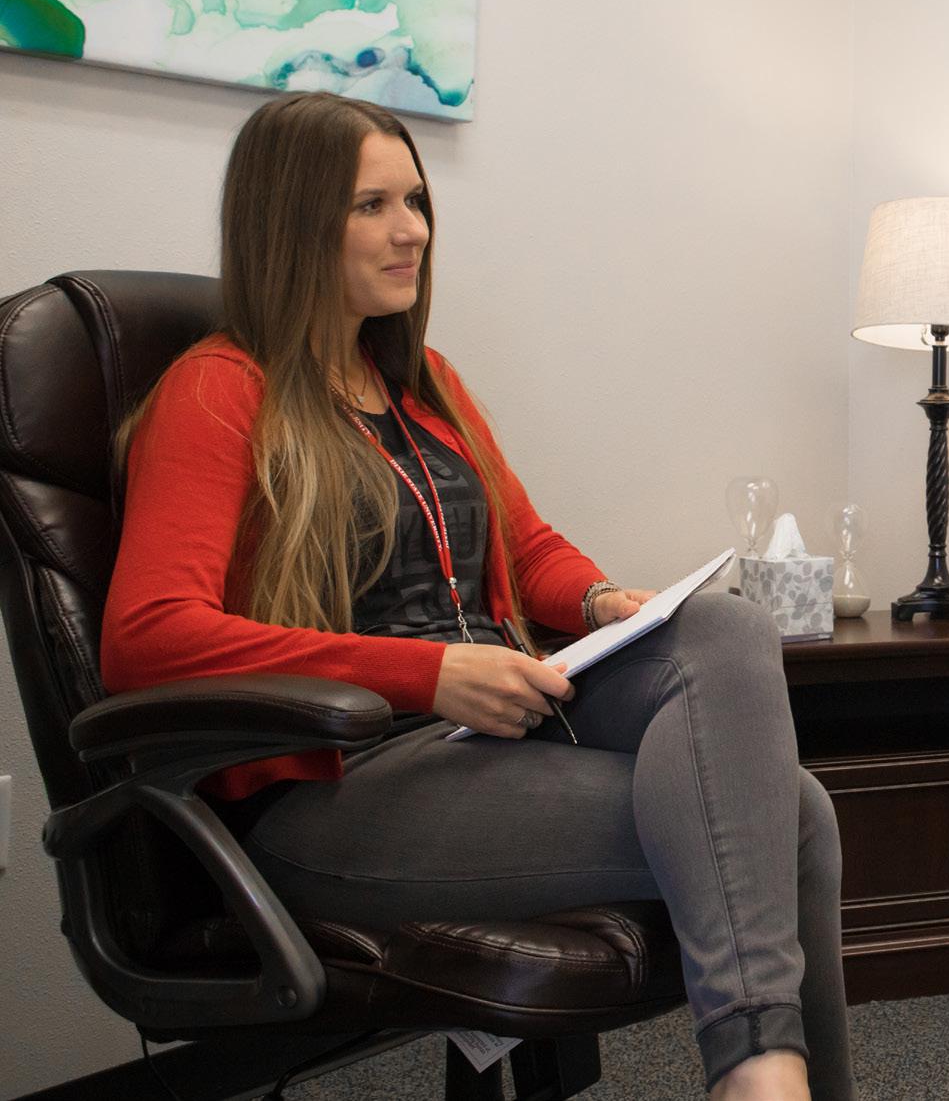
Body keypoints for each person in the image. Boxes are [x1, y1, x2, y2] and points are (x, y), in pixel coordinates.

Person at [101, 92, 850, 1101]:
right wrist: (430, 674)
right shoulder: (217, 390)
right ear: (291, 222)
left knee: (725, 629)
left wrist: (599, 601)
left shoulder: (422, 383)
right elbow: (147, 639)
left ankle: (762, 1078)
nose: (412, 229)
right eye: (372, 205)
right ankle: (765, 1080)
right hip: (337, 785)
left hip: (486, 738)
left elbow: (524, 547)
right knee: (789, 817)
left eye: (415, 200)